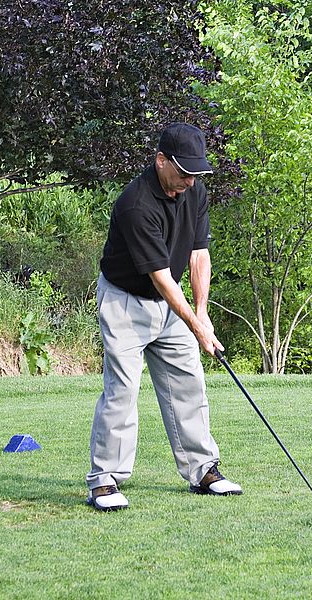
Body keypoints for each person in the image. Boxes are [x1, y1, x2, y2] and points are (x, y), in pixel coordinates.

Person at [86, 122, 242, 511]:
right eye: (185, 172)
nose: (190, 182)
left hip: (168, 304)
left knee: (188, 381)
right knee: (122, 388)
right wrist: (196, 326)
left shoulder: (195, 191)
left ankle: (202, 469)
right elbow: (159, 278)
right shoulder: (135, 204)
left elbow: (199, 254)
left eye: (196, 173)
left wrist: (202, 313)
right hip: (125, 301)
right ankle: (105, 482)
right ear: (160, 161)